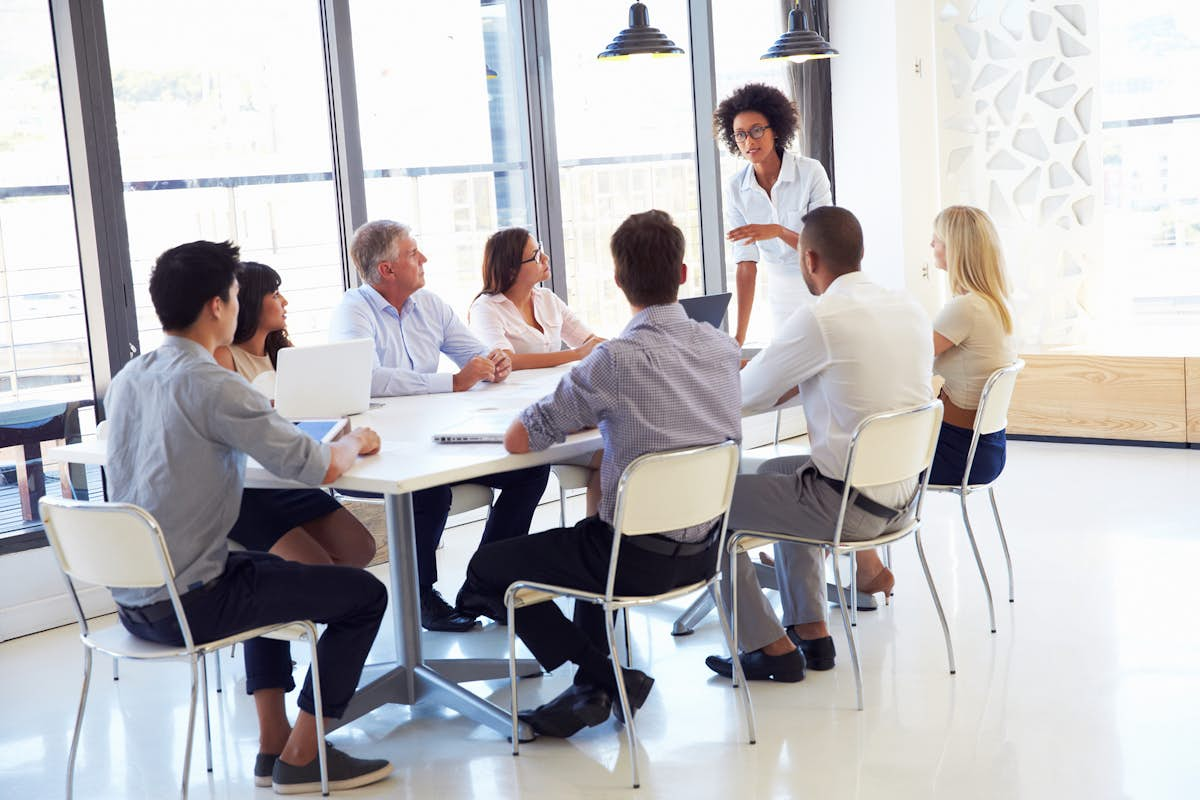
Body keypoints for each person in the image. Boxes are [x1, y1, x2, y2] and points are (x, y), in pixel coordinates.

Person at [105, 240, 392, 793]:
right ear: (217, 305)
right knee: (364, 596)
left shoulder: (130, 376)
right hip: (192, 603)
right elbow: (319, 466)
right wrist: (356, 438)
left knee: (262, 569)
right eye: (236, 295)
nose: (239, 306)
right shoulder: (215, 384)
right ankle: (304, 759)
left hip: (135, 602)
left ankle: (272, 745)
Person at [456, 210, 742, 738]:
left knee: (488, 567)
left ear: (617, 280)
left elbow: (521, 438)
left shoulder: (614, 362)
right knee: (591, 533)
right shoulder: (722, 348)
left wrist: (590, 407)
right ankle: (594, 691)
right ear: (682, 274)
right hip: (706, 549)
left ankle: (602, 675)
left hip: (631, 558)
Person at [703, 207, 933, 684]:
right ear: (860, 253)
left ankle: (768, 646)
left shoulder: (821, 317)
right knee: (773, 473)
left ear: (808, 259)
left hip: (846, 504)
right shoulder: (909, 307)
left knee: (707, 508)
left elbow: (742, 397)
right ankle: (811, 630)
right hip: (902, 496)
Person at [329, 220, 551, 632]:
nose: (424, 259)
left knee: (531, 470)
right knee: (427, 489)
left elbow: (473, 352)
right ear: (386, 270)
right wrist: (451, 382)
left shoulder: (430, 304)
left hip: (434, 437)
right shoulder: (353, 310)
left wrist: (494, 361)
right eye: (413, 254)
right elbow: (366, 377)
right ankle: (421, 595)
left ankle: (487, 581)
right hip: (382, 450)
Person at [852, 205, 1017, 594]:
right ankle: (862, 562)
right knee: (868, 454)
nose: (931, 244)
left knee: (858, 457)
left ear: (956, 247)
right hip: (986, 450)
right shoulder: (994, 304)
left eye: (937, 238)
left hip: (959, 454)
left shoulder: (966, 308)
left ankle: (858, 560)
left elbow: (910, 364)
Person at [213, 260, 376, 568]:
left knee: (360, 548)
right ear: (247, 301)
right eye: (275, 294)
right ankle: (322, 606)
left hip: (287, 479)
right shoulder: (225, 356)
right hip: (247, 491)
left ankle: (334, 606)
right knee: (317, 568)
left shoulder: (284, 355)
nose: (284, 302)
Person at [714, 82, 833, 344]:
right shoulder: (736, 188)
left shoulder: (811, 173)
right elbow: (746, 265)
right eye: (740, 134)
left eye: (757, 130)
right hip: (780, 296)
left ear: (776, 130)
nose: (749, 141)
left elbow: (824, 249)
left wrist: (778, 231)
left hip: (820, 286)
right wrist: (739, 337)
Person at [468, 227, 604, 369]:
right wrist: (576, 354)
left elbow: (588, 342)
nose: (546, 258)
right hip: (514, 390)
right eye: (536, 256)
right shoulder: (485, 308)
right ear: (511, 270)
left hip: (552, 387)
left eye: (541, 250)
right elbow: (506, 361)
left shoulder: (547, 299)